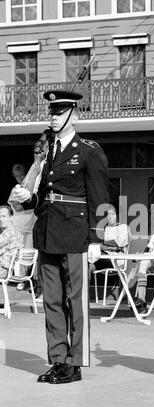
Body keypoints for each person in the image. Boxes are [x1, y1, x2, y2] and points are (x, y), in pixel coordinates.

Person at [12, 89, 109, 384]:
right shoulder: (47, 151)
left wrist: (96, 239)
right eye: (51, 113)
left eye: (59, 113)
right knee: (52, 301)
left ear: (74, 115)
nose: (53, 119)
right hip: (47, 232)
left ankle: (75, 363)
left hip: (76, 234)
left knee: (75, 302)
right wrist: (26, 198)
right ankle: (57, 359)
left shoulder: (89, 150)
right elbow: (43, 196)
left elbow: (100, 197)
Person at [9, 163, 37, 291]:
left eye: (22, 175)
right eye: (17, 176)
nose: (20, 178)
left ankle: (34, 281)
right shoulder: (15, 190)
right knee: (19, 255)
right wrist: (27, 203)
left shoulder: (33, 188)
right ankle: (20, 279)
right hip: (19, 227)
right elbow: (17, 206)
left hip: (32, 226)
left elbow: (32, 204)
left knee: (31, 255)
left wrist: (26, 202)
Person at [89, 204, 130, 275]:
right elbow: (101, 245)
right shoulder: (105, 228)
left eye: (112, 214)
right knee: (88, 264)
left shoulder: (123, 227)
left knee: (91, 252)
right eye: (108, 214)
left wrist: (101, 245)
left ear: (117, 216)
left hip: (115, 260)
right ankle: (85, 284)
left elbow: (118, 243)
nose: (110, 217)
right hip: (102, 256)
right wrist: (101, 246)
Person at [0, 205, 23, 279]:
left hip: (3, 269)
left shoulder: (9, 233)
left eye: (4, 216)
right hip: (7, 269)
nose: (1, 219)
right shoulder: (17, 233)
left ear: (11, 218)